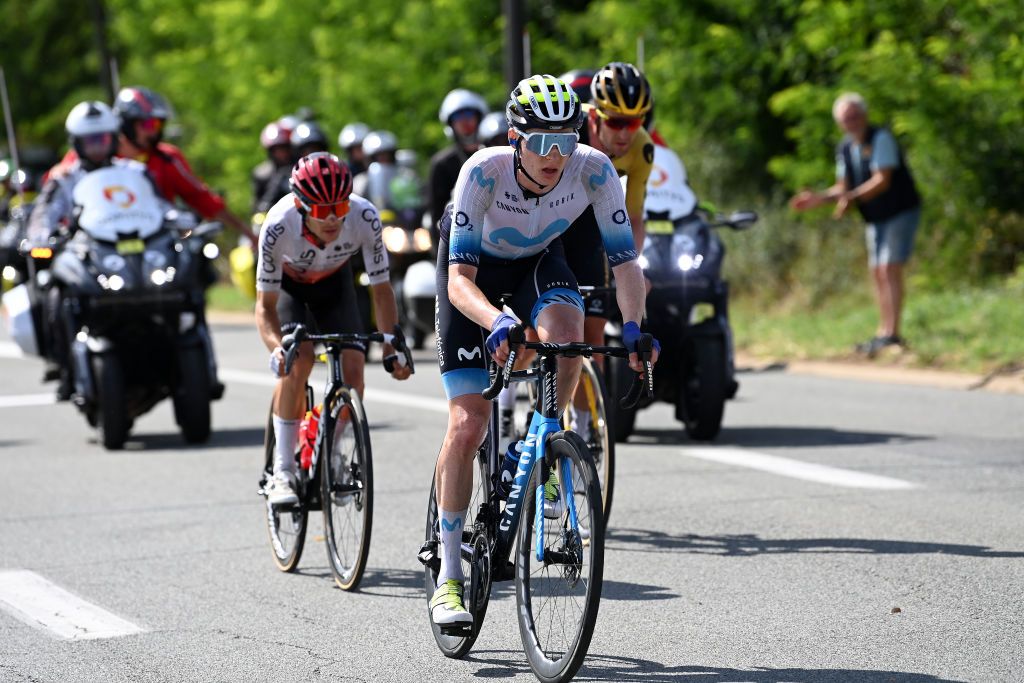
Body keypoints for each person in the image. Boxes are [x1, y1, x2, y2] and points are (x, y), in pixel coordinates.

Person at [428, 74, 658, 627]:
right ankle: (449, 576)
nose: (556, 155)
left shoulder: (595, 169)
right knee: (468, 422)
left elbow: (626, 264)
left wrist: (633, 329)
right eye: (542, 142)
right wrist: (495, 318)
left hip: (536, 261)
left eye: (567, 138)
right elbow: (460, 281)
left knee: (569, 327)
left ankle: (542, 438)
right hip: (473, 272)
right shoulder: (482, 171)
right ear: (515, 138)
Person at [256, 152, 411, 505]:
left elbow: (381, 289)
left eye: (339, 208)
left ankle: (333, 451)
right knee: (300, 361)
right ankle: (283, 470)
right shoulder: (278, 225)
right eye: (321, 210)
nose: (331, 218)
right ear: (299, 204)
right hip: (290, 289)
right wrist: (276, 348)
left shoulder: (365, 215)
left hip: (334, 286)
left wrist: (391, 344)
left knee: (354, 371)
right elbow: (264, 309)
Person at [27, 101, 170, 398]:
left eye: (102, 139)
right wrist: (41, 238)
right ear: (76, 143)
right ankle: (65, 367)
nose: (96, 147)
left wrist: (182, 221)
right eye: (89, 141)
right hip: (86, 255)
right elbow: (43, 217)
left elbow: (161, 207)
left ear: (113, 139)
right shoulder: (63, 178)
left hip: (137, 252)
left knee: (184, 278)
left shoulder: (135, 171)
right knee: (54, 293)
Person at [555, 62, 655, 443]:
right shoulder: (570, 133)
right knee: (539, 334)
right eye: (616, 122)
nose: (626, 133)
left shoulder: (642, 147)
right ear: (594, 115)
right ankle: (510, 400)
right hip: (550, 228)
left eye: (636, 121)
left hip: (591, 231)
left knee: (592, 341)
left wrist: (633, 271)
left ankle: (583, 430)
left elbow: (633, 217)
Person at [789, 92, 922, 356]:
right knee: (877, 271)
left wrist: (849, 198)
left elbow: (882, 180)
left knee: (889, 268)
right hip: (875, 217)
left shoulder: (880, 138)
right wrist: (820, 199)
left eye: (854, 116)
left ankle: (893, 334)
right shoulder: (846, 147)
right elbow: (843, 187)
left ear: (864, 115)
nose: (851, 123)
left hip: (899, 211)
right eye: (845, 119)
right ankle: (883, 332)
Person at [110, 87, 258, 244]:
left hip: (160, 244)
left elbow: (202, 198)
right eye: (148, 124)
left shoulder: (168, 158)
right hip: (111, 243)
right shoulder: (99, 159)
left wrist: (250, 235)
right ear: (126, 124)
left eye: (158, 125)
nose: (154, 131)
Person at [427, 89, 489, 239]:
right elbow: (436, 214)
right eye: (457, 116)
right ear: (450, 124)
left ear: (479, 118)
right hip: (460, 237)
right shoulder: (441, 163)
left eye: (468, 114)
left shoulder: (493, 153)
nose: (464, 121)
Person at [251, 119, 295, 214]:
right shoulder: (261, 174)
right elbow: (257, 205)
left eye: (284, 148)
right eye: (277, 150)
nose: (282, 153)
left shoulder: (302, 169)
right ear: (270, 151)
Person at [353, 130, 399, 209]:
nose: (384, 159)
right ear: (369, 158)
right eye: (379, 156)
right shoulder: (360, 181)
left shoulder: (404, 175)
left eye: (387, 155)